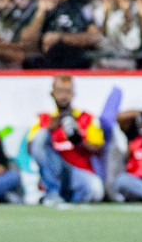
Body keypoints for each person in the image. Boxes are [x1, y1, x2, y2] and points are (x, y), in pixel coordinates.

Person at [30, 75, 106, 204]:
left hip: (77, 170)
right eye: (59, 92)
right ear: (52, 94)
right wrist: (50, 129)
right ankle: (53, 191)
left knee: (96, 190)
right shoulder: (44, 119)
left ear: (73, 94)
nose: (64, 97)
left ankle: (66, 198)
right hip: (55, 167)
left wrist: (79, 140)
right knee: (40, 137)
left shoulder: (86, 118)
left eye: (67, 92)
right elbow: (32, 148)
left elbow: (99, 148)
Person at [17, 0, 101, 69]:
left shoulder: (79, 8)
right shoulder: (36, 10)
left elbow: (95, 37)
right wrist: (40, 13)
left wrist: (61, 38)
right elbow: (26, 43)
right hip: (43, 60)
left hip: (74, 60)